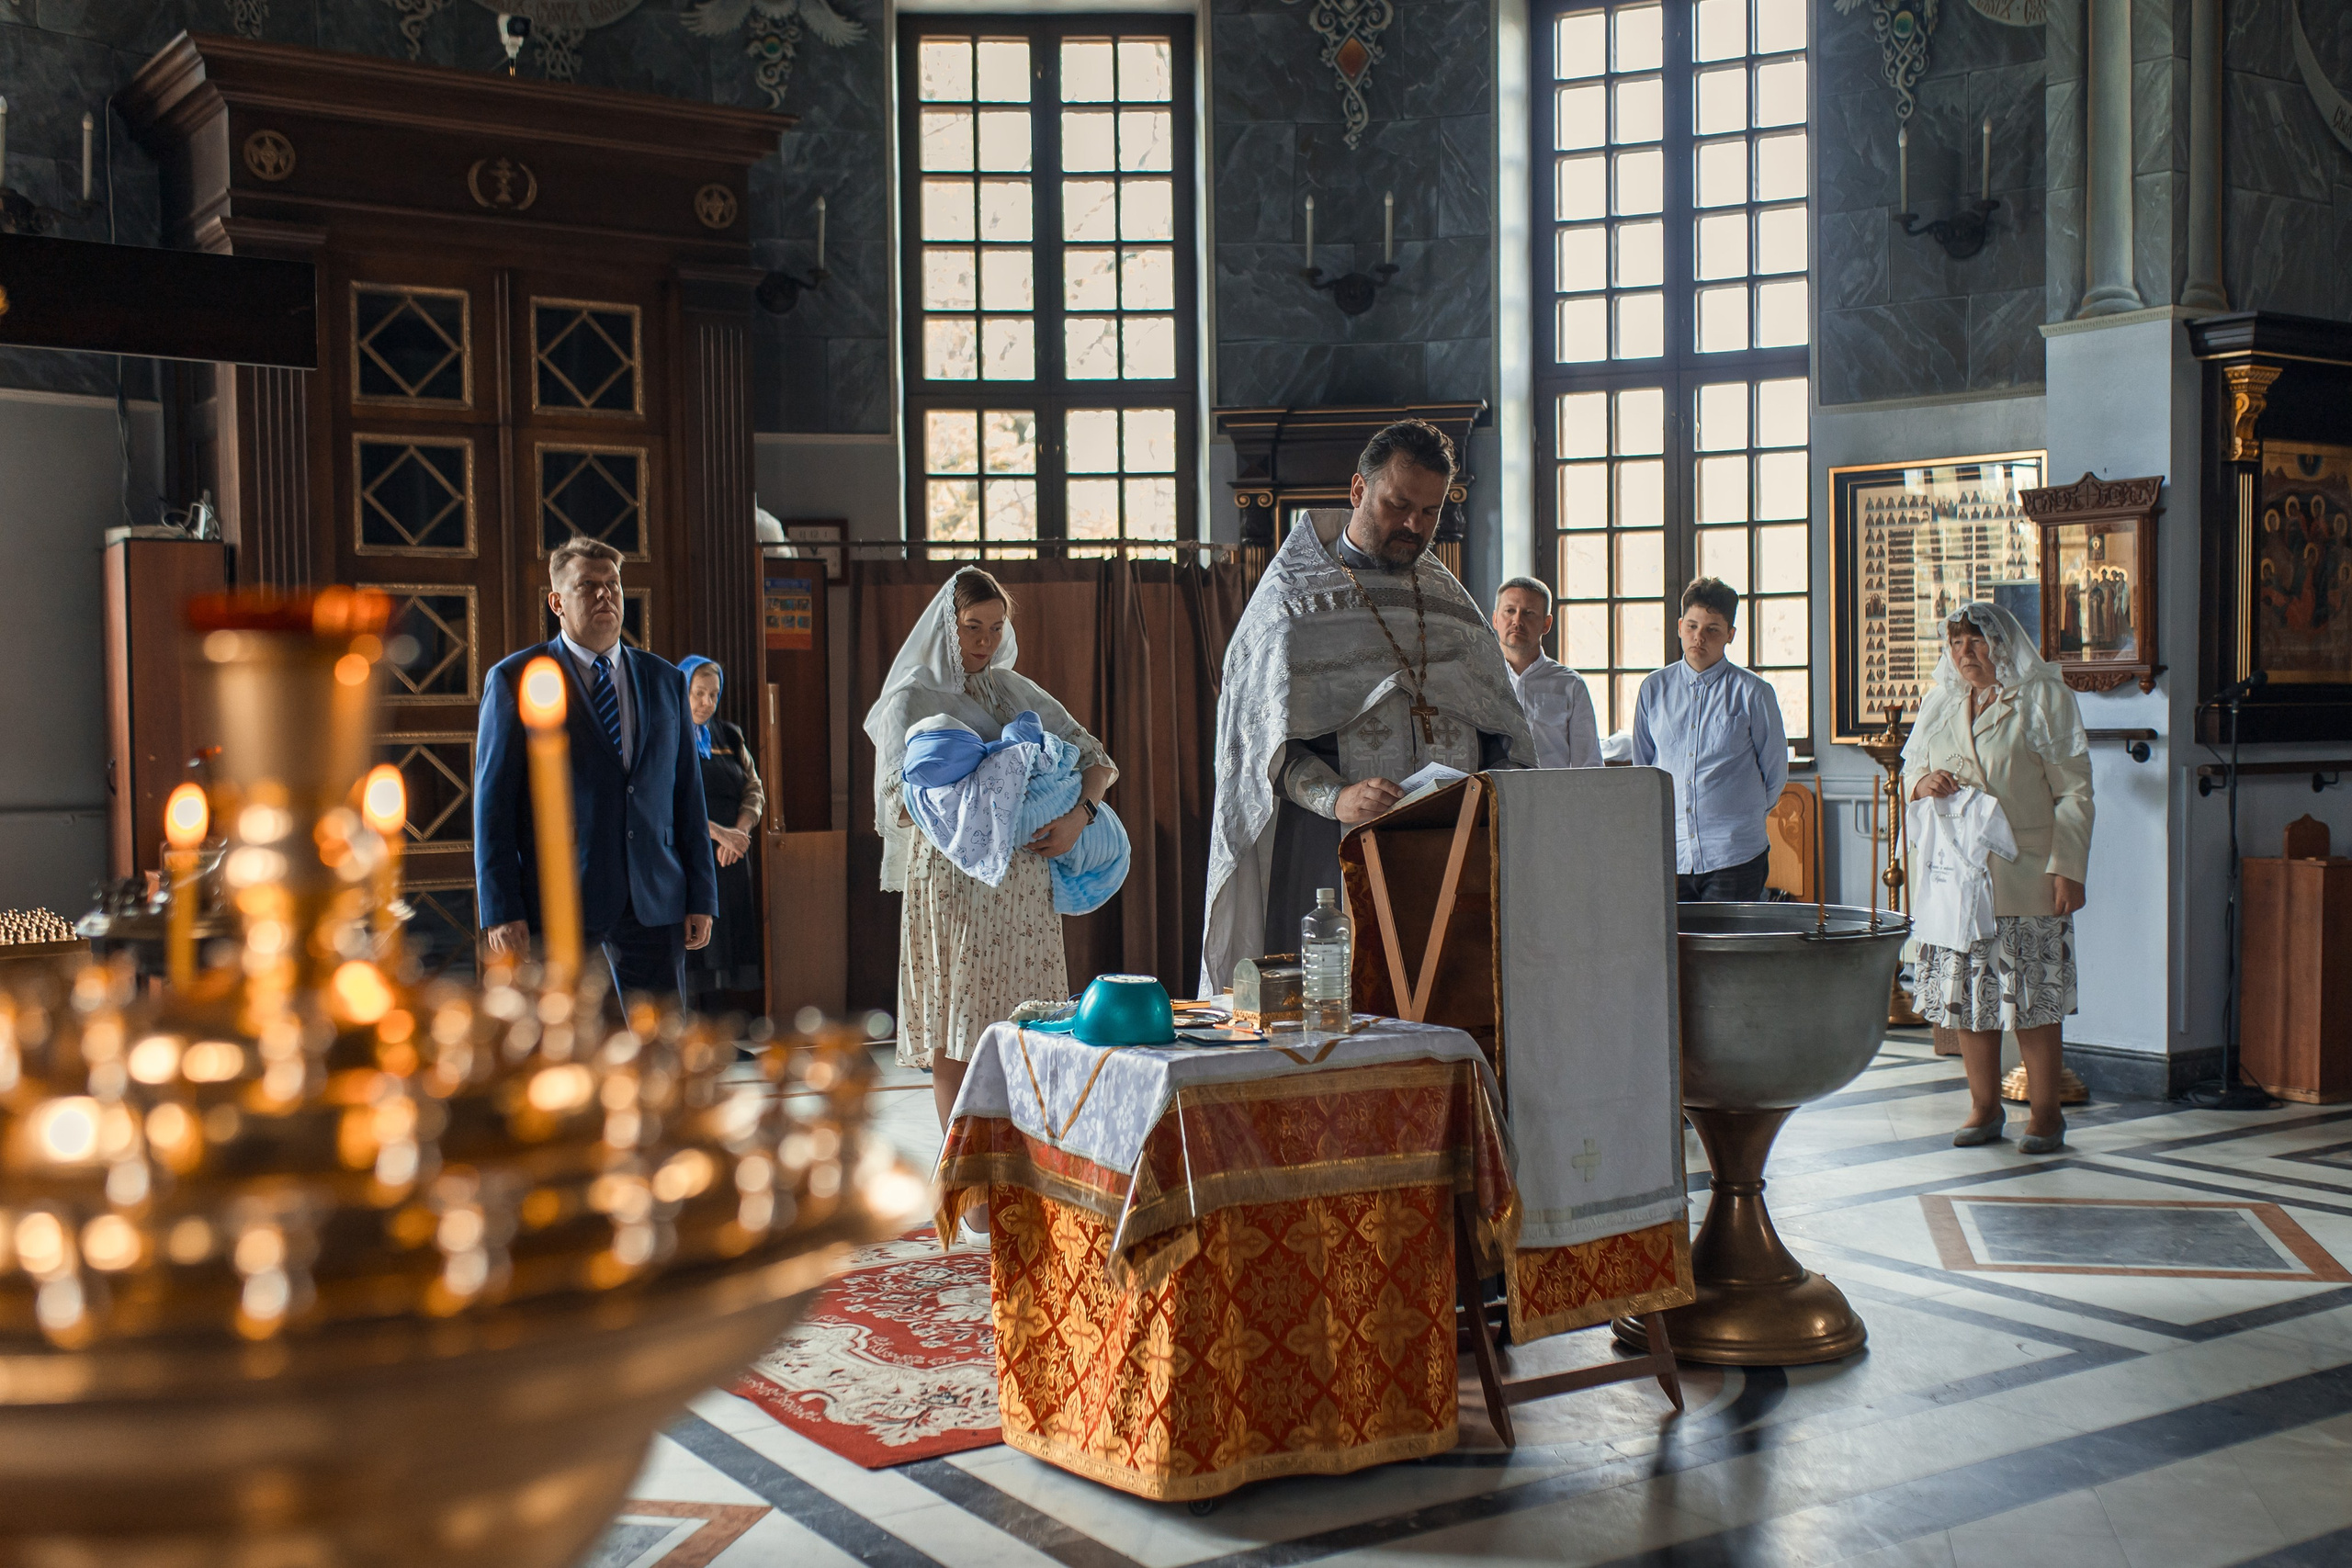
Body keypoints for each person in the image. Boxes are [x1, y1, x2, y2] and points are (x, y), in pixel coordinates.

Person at [1202, 419, 1535, 992]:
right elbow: (1263, 748)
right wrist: (1338, 797)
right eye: (1399, 504)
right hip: (1328, 851)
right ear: (1358, 490)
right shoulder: (1290, 600)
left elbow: (1503, 732)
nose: (1415, 525)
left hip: (1447, 852)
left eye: (1430, 511)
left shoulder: (1449, 601)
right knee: (1335, 1012)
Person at [864, 569, 1117, 1154]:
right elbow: (892, 804)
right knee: (961, 1027)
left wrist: (1080, 814)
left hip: (1023, 879)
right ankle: (967, 1174)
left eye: (994, 628)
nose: (983, 641)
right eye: (972, 628)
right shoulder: (911, 696)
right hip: (954, 878)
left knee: (1031, 1022)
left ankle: (1029, 1160)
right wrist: (970, 787)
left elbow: (1097, 758)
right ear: (946, 627)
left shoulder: (1013, 690)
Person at [475, 536, 715, 998]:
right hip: (560, 900)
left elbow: (687, 795)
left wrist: (701, 895)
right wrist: (500, 908)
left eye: (613, 584)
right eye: (588, 586)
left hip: (654, 896)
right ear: (557, 602)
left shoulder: (665, 680)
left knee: (661, 1052)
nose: (605, 595)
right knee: (566, 1052)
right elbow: (493, 807)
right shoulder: (516, 678)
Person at [1904, 602, 2093, 1155]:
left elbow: (2075, 791)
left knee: (2033, 996)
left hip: (2025, 870)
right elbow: (1911, 767)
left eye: (1978, 641)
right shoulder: (1940, 702)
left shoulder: (2043, 700)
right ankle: (1984, 1107)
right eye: (1957, 642)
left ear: (2003, 644)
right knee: (1969, 995)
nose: (1966, 652)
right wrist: (1923, 783)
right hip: (1958, 877)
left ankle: (2046, 1114)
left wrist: (2068, 869)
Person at [1631, 577, 1788, 902]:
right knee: (1673, 951)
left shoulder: (1754, 693)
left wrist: (1738, 817)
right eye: (1692, 626)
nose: (1699, 637)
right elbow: (1644, 768)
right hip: (1670, 853)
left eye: (1712, 629)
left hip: (1735, 853)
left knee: (1729, 951)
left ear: (1730, 635)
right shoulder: (1653, 689)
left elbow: (1774, 773)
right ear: (1679, 626)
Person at [678, 656, 766, 1008]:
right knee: (694, 942)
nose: (707, 703)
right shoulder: (669, 736)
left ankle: (718, 1031)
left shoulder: (729, 735)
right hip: (692, 853)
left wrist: (740, 834)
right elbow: (670, 800)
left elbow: (753, 789)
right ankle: (689, 1031)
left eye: (713, 695)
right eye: (698, 693)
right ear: (682, 692)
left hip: (730, 856)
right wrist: (717, 834)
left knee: (726, 940)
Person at [1491, 575, 1600, 769]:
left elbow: (1588, 763)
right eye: (1509, 611)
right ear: (1495, 620)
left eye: (1529, 613)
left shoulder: (1570, 685)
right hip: (1492, 795)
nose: (1517, 620)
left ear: (1546, 624)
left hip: (1552, 796)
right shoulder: (1477, 677)